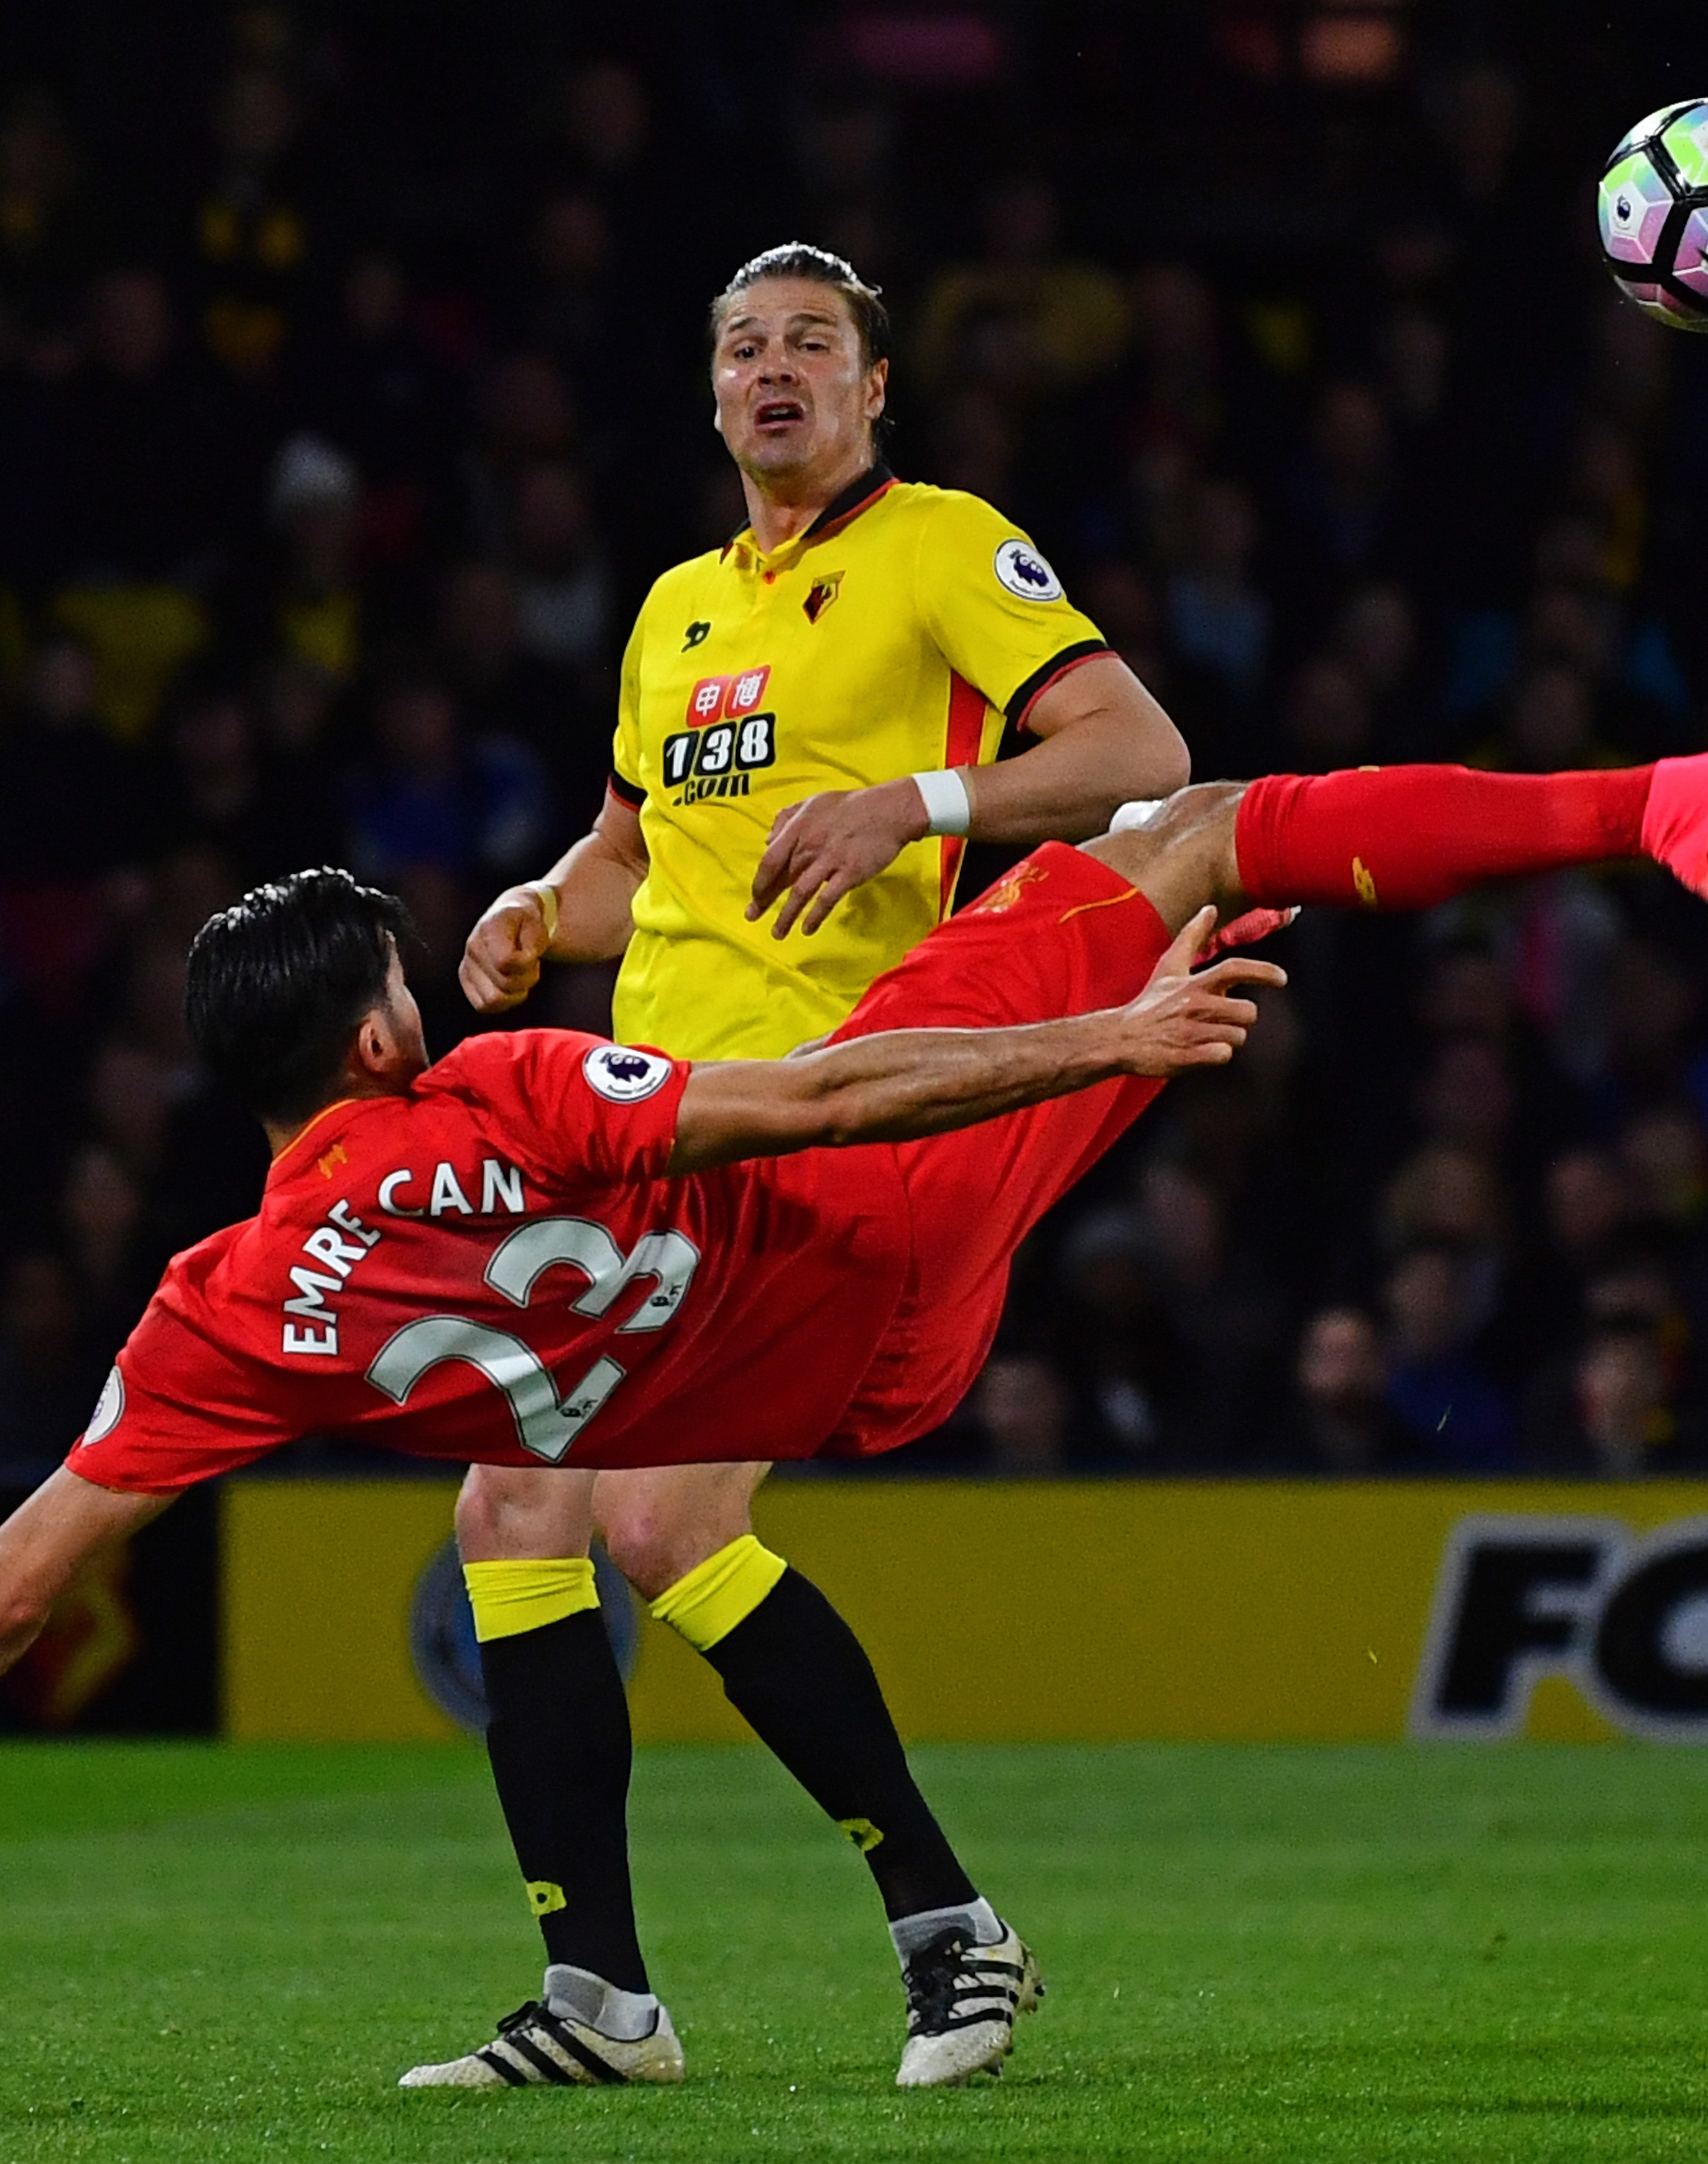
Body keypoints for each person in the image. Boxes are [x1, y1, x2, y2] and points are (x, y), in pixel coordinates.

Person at [0, 675, 1708, 2086]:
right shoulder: (509, 1088)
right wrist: (1108, 1046)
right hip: (886, 1230)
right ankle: (1672, 799)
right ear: (371, 1036)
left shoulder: (222, 1312)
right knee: (1206, 831)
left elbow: (24, 1575)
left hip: (808, 1387)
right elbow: (820, 1110)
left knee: (552, 1496)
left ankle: (704, 1974)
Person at [443, 243, 1189, 2089]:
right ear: (708, 397)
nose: (773, 373)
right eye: (742, 349)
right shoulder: (678, 605)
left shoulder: (940, 545)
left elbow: (1138, 753)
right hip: (646, 1116)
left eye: (810, 348)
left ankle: (951, 1937)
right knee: (514, 1512)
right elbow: (637, 860)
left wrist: (915, 804)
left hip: (832, 1107)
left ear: (872, 393)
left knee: (657, 1521)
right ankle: (602, 2001)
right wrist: (542, 910)